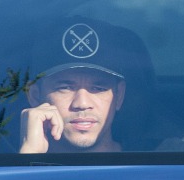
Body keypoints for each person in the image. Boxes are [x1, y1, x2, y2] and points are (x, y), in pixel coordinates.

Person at [19, 19, 130, 154]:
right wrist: (29, 155)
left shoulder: (151, 166)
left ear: (119, 96)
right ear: (35, 95)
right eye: (65, 87)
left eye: (98, 89)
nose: (82, 103)